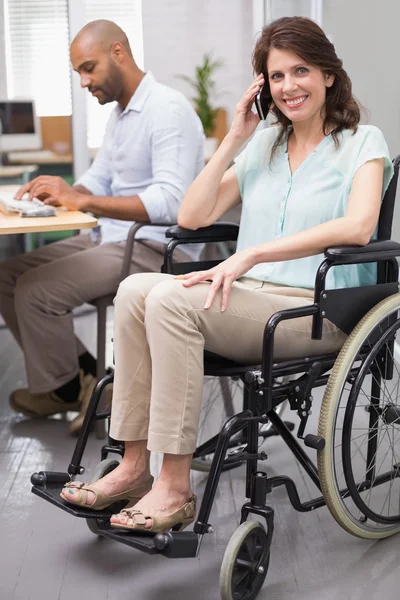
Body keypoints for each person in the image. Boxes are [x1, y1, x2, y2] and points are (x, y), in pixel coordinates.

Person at [61, 16, 393, 533]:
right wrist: (235, 137)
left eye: (299, 71)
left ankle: (172, 487)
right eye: (275, 76)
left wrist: (251, 255)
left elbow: (359, 224)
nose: (288, 87)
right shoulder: (262, 146)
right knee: (133, 290)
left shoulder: (361, 141)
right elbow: (191, 215)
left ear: (328, 74)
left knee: (170, 300)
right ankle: (132, 466)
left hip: (315, 307)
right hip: (244, 297)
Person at [0, 20, 204, 434]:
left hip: (155, 247)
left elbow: (174, 203)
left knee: (37, 291)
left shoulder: (168, 110)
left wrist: (85, 201)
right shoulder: (121, 116)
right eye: (78, 72)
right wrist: (61, 192)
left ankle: (77, 386)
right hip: (109, 236)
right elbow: (98, 179)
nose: (83, 81)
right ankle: (75, 384)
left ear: (118, 53)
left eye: (88, 68)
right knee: (6, 276)